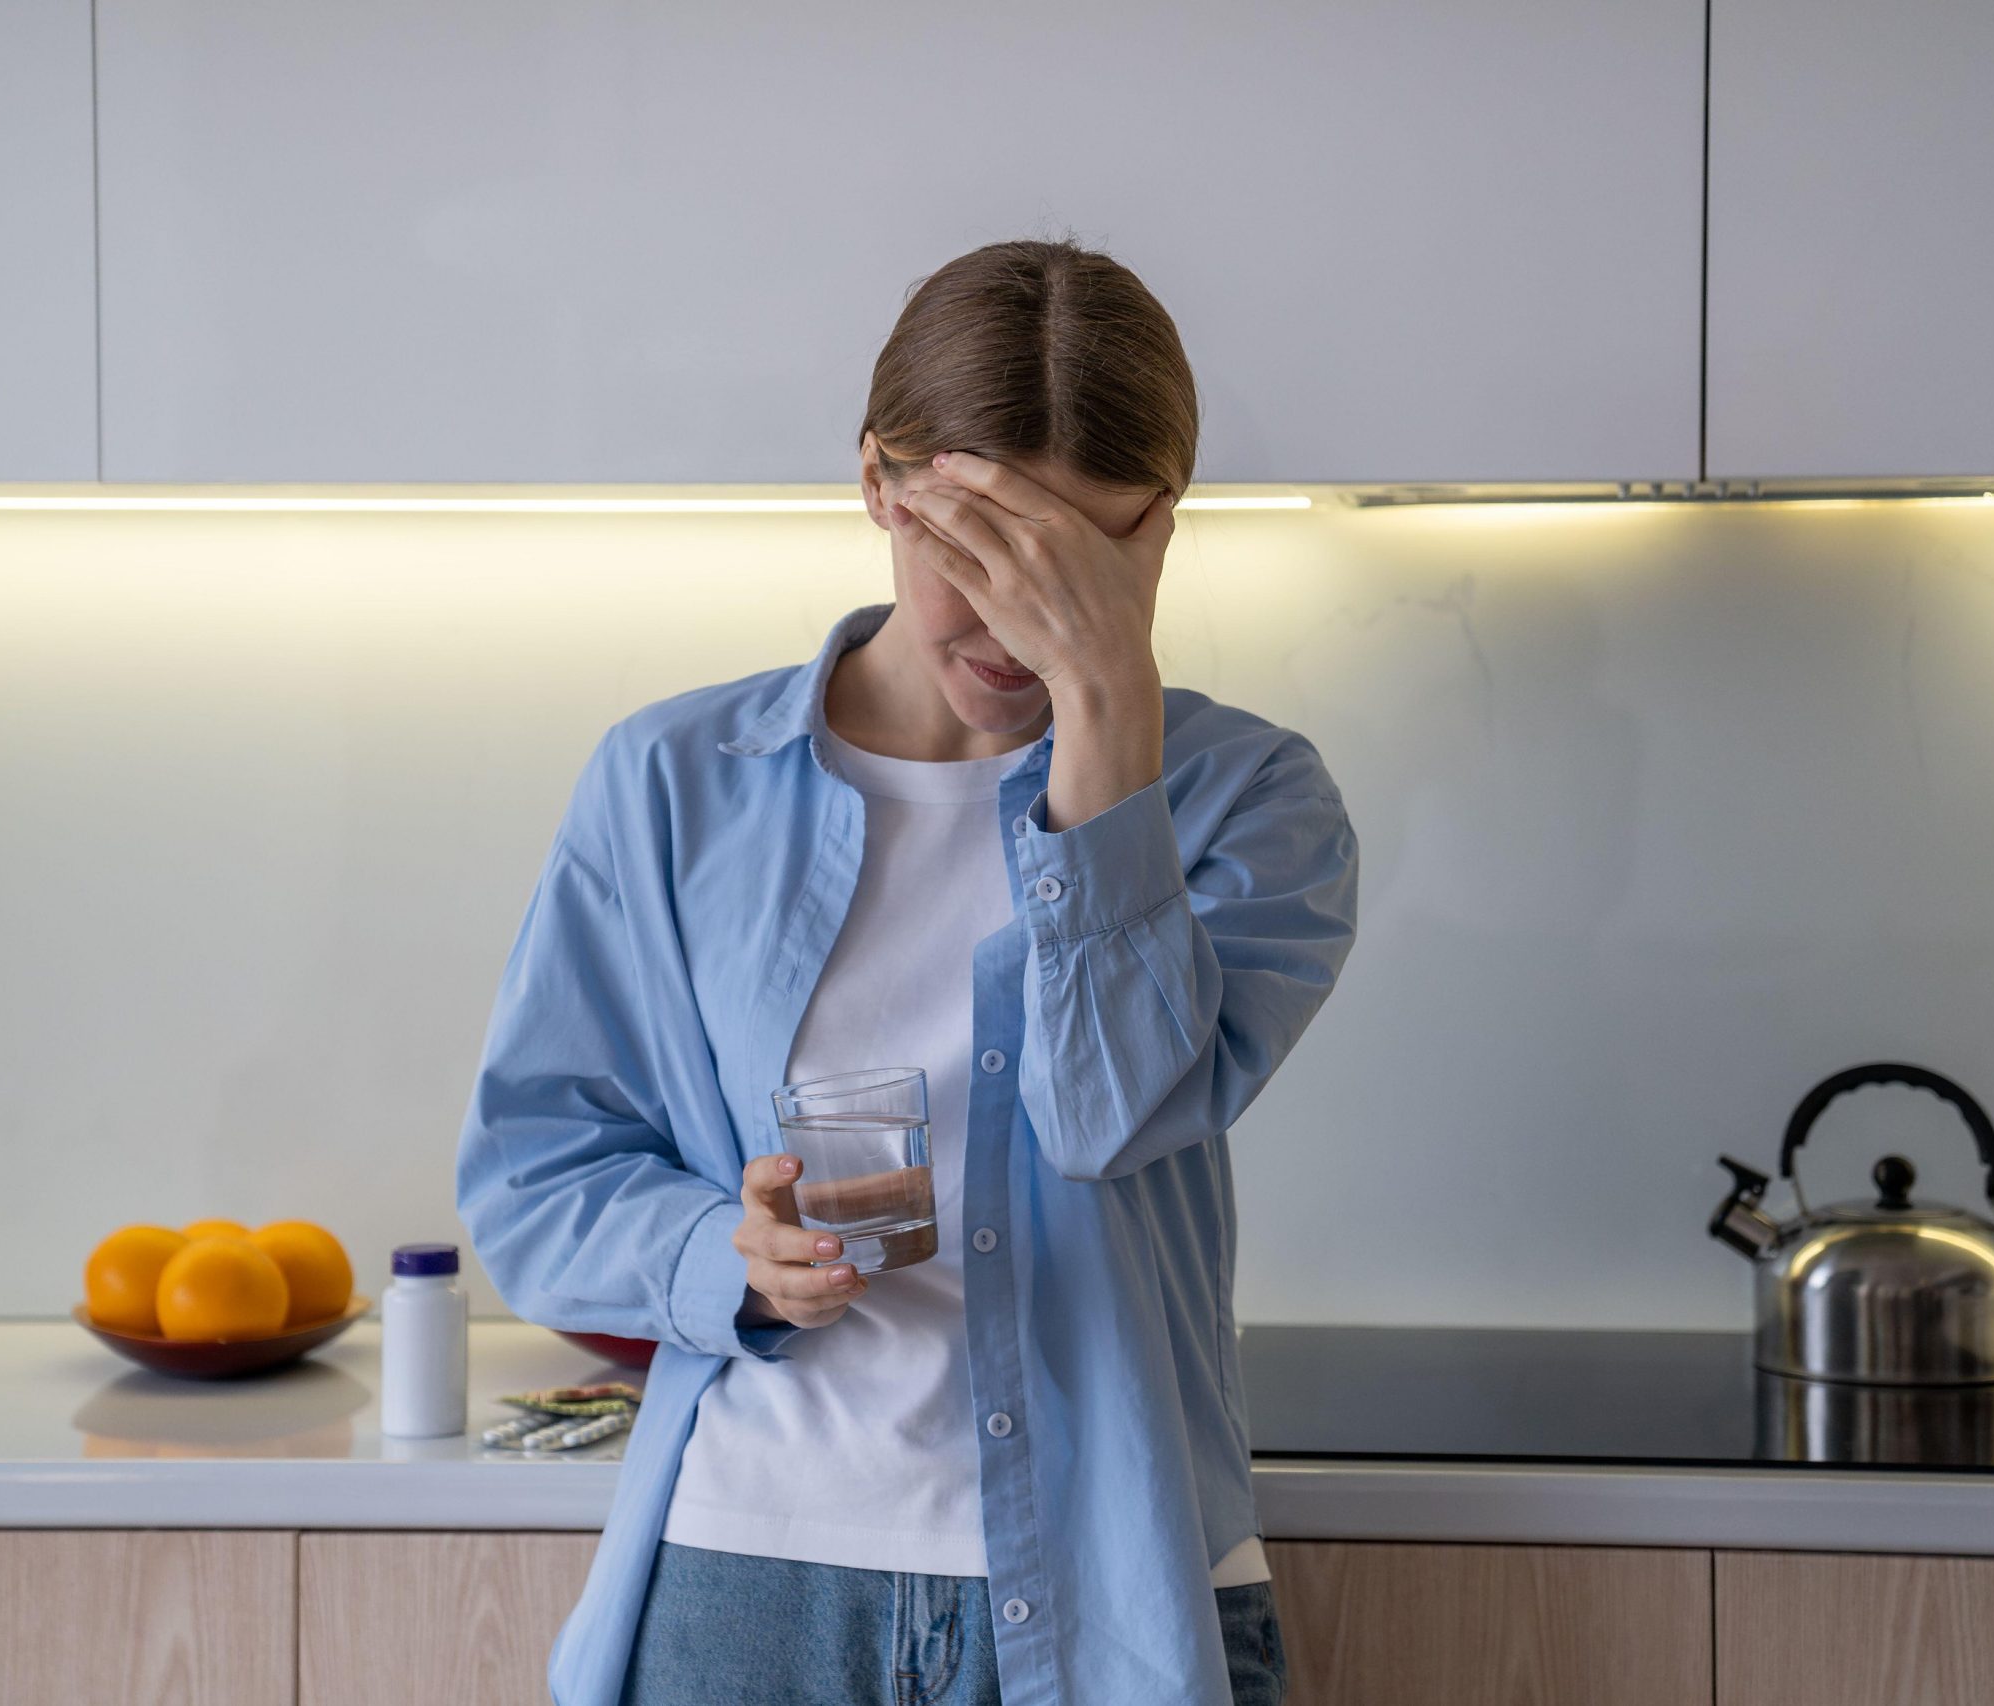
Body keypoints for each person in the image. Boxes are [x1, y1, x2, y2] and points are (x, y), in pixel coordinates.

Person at [457, 237, 1360, 1706]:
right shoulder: (671, 783)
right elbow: (537, 1177)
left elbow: (1107, 1118)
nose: (1017, 620)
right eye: (974, 545)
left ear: (1161, 530)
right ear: (877, 482)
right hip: (751, 1578)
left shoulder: (1250, 802)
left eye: (1077, 558)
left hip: (1117, 1590)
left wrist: (1107, 716)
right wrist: (721, 1255)